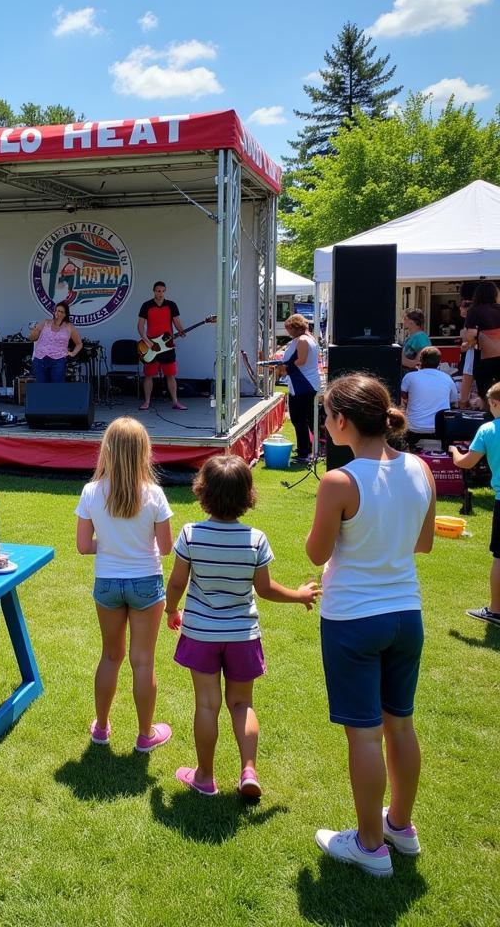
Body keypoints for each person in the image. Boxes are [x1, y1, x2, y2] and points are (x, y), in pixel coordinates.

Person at [307, 374, 435, 877]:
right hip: (407, 614)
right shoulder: (421, 467)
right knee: (399, 724)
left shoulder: (340, 480)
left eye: (326, 414)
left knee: (364, 736)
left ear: (341, 420)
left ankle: (369, 844)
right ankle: (399, 827)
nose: (324, 422)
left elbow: (317, 551)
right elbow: (423, 543)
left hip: (354, 619)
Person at [165, 455, 320, 797]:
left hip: (202, 634)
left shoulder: (191, 534)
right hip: (242, 636)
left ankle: (204, 776)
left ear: (201, 491)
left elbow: (176, 583)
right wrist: (298, 595)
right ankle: (248, 769)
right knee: (241, 703)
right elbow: (265, 589)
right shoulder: (256, 539)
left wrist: (171, 609)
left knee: (207, 704)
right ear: (248, 495)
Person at [75, 417, 175, 752]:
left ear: (107, 451)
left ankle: (101, 728)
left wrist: (109, 544)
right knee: (142, 660)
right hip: (146, 580)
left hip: (107, 582)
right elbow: (165, 548)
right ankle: (145, 736)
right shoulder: (155, 495)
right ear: (144, 452)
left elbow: (82, 545)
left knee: (110, 656)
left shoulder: (91, 491)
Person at [448, 381, 500, 625]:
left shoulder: (488, 429)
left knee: (499, 557)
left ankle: (496, 610)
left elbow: (467, 462)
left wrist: (455, 452)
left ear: (495, 403)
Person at [274, 314, 322, 465]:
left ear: (296, 327)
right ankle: (310, 449)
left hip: (303, 384)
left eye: (289, 329)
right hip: (305, 383)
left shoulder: (302, 340)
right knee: (307, 418)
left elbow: (301, 361)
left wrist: (284, 366)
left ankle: (304, 452)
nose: (288, 332)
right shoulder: (310, 338)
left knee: (298, 418)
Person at [137, 280, 187, 412]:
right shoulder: (146, 305)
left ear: (165, 291)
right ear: (154, 291)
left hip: (167, 345)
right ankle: (147, 402)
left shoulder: (171, 305)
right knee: (149, 375)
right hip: (151, 345)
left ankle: (175, 401)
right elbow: (140, 326)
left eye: (162, 291)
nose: (160, 293)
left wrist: (181, 330)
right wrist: (146, 340)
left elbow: (177, 322)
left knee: (171, 374)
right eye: (158, 291)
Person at [401, 347, 458, 450]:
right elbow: (453, 401)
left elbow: (401, 395)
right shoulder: (447, 378)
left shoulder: (410, 377)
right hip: (440, 430)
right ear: (439, 362)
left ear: (420, 361)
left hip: (414, 429)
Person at [463, 281, 500, 401]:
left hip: (485, 360)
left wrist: (468, 341)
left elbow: (471, 335)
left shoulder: (475, 311)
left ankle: (490, 416)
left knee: (487, 395)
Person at [30, 301, 83, 383]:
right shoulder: (45, 322)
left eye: (60, 311)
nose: (57, 313)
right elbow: (33, 338)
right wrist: (34, 332)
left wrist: (72, 353)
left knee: (57, 386)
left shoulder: (69, 326)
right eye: (56, 310)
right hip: (41, 359)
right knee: (42, 387)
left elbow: (79, 343)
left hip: (58, 360)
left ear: (65, 314)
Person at [457, 298, 477, 409]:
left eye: (463, 306)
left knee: (467, 376)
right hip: (471, 352)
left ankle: (463, 404)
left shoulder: (471, 321)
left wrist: (467, 345)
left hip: (473, 353)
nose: (460, 308)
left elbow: (472, 340)